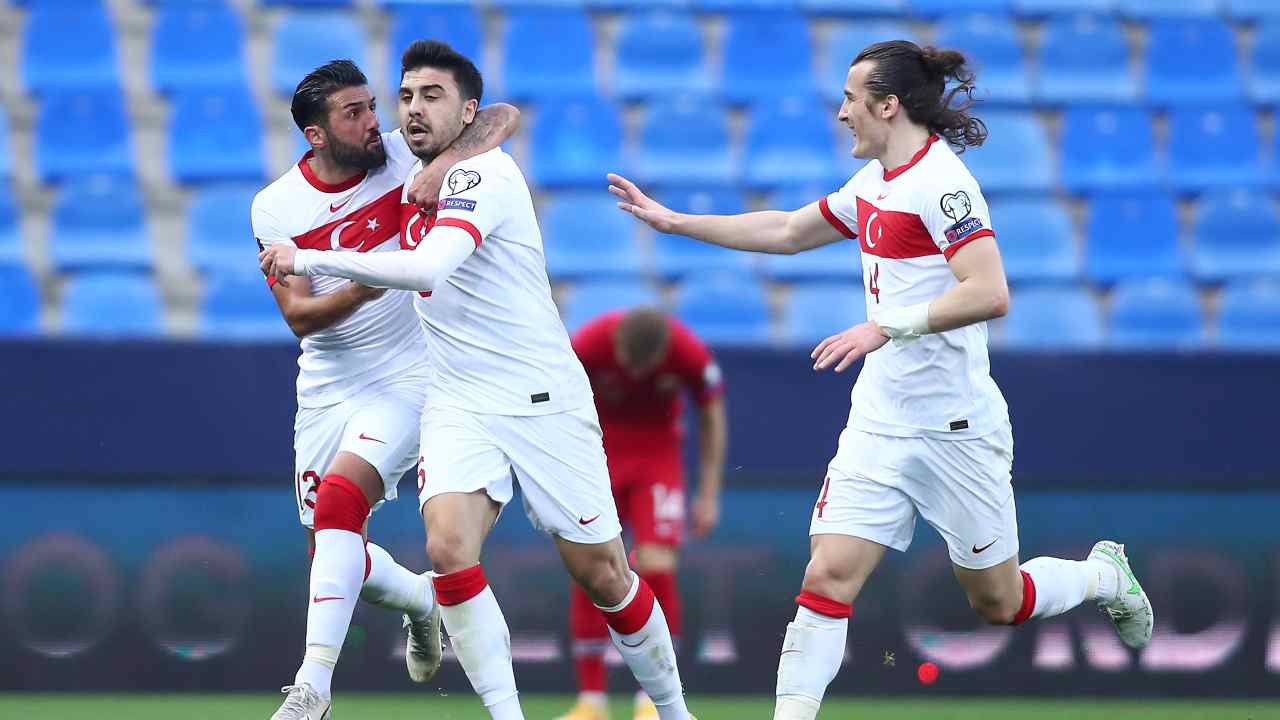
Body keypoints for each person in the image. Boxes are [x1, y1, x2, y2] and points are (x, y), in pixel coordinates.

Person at [606, 40, 1154, 720]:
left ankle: (1104, 575)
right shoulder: (875, 184)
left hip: (955, 425)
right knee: (826, 575)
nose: (841, 114)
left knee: (998, 601)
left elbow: (989, 291)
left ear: (887, 106)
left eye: (850, 99)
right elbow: (785, 229)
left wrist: (887, 326)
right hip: (880, 420)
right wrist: (674, 221)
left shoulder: (943, 186)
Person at [260, 41, 694, 720]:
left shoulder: (485, 176)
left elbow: (430, 264)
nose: (407, 110)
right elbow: (300, 313)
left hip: (539, 396)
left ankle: (674, 712)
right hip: (455, 399)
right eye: (404, 97)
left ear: (464, 111)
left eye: (429, 96)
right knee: (446, 549)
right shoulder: (394, 164)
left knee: (604, 574)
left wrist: (315, 254)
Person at [251, 58, 519, 720]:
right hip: (327, 383)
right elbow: (299, 317)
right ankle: (423, 603)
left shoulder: (402, 156)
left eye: (374, 106)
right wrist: (369, 283)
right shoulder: (275, 205)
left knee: (343, 500)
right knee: (331, 551)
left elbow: (503, 118)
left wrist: (431, 171)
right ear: (316, 135)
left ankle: (312, 686)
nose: (376, 122)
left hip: (412, 371)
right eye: (355, 113)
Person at [559, 309, 727, 720]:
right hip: (599, 454)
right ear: (616, 346)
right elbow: (555, 403)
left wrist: (708, 493)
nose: (634, 374)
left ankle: (651, 698)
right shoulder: (588, 342)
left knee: (657, 566)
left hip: (658, 457)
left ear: (662, 355)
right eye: (627, 364)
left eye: (643, 368)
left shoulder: (688, 351)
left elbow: (712, 416)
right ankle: (591, 701)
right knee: (592, 567)